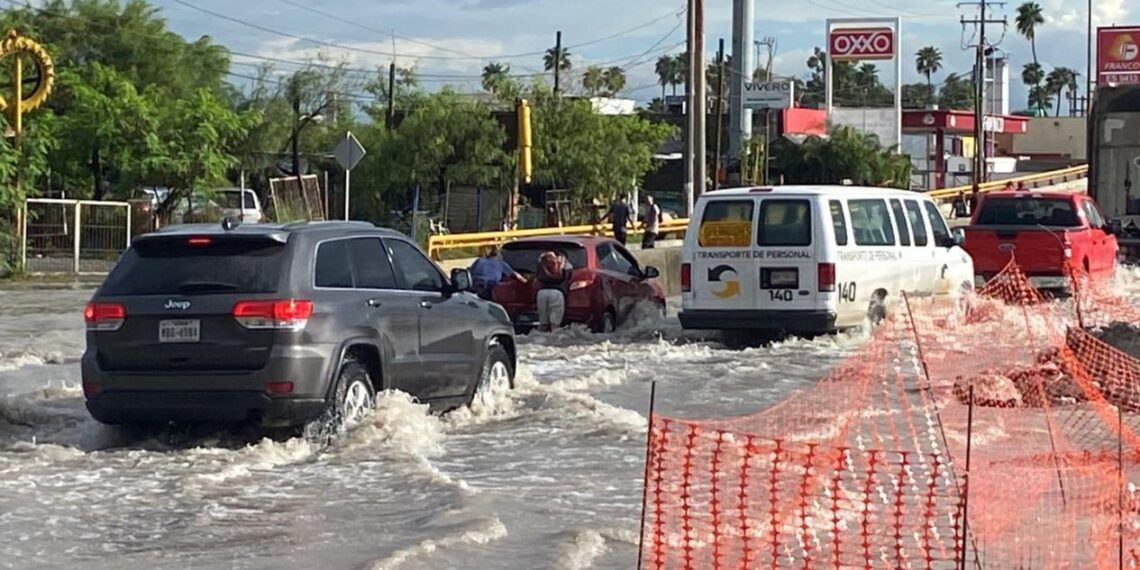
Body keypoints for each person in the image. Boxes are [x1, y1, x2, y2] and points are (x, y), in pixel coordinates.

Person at [535, 250, 572, 332]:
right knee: (555, 325)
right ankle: (553, 342)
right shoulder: (564, 265)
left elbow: (537, 277)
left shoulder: (541, 264)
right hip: (557, 293)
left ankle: (536, 340)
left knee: (542, 324)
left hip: (541, 293)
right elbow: (568, 278)